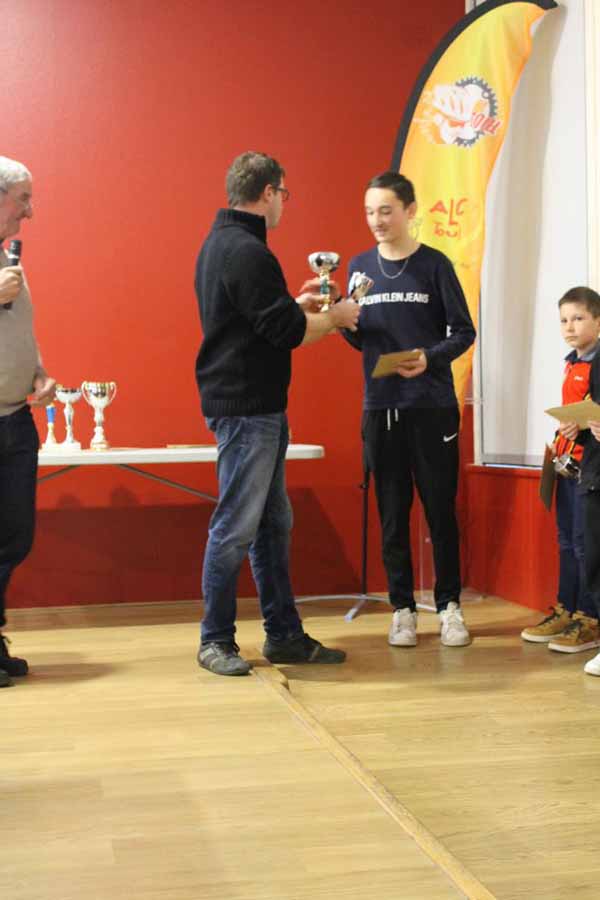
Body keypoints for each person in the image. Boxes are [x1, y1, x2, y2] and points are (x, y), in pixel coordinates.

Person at [194, 151, 360, 676]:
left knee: (271, 524)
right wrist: (336, 316)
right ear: (268, 193)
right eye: (283, 194)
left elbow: (262, 323)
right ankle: (215, 640)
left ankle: (284, 634)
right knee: (236, 527)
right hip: (249, 409)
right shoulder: (248, 250)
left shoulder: (223, 242)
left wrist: (296, 306)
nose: (284, 203)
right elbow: (285, 334)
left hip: (253, 405)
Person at [342, 171, 476, 648]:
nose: (377, 220)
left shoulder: (435, 265)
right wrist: (341, 320)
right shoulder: (359, 268)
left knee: (440, 509)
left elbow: (464, 331)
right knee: (392, 514)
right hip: (381, 407)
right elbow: (358, 337)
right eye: (369, 212)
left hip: (431, 406)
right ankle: (402, 610)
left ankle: (450, 607)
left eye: (386, 210)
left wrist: (429, 358)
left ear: (410, 211)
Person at [0, 156, 56, 688]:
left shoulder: (9, 261)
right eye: (23, 199)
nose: (30, 211)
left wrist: (38, 372)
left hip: (16, 420)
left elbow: (20, 331)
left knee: (14, 538)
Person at [521, 287, 600, 653]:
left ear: (598, 321)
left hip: (590, 468)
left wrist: (580, 427)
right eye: (564, 320)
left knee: (586, 546)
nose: (570, 326)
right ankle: (567, 608)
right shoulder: (572, 361)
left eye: (579, 318)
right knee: (567, 541)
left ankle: (589, 617)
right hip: (566, 464)